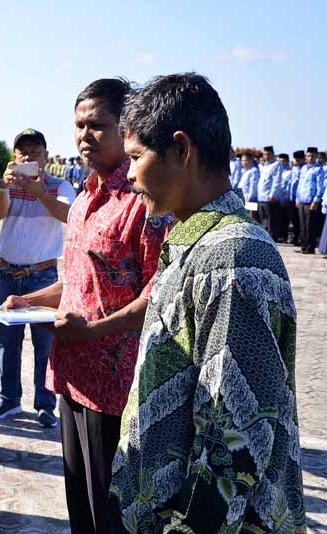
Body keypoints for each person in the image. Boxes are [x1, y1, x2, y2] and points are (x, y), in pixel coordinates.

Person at [110, 71, 306, 533]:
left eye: (136, 157)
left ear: (182, 149)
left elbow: (235, 436)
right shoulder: (194, 243)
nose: (131, 175)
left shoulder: (233, 258)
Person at [4, 79, 170, 533]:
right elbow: (77, 281)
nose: (84, 136)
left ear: (127, 129)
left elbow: (158, 294)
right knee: (80, 503)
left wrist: (94, 331)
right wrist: (28, 300)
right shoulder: (81, 200)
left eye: (97, 125)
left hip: (115, 385)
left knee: (110, 511)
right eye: (79, 125)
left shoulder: (144, 203)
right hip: (71, 374)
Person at [0, 129, 75, 428]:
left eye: (35, 151)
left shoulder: (59, 185)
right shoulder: (7, 186)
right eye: (22, 152)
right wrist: (2, 186)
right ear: (14, 158)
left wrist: (40, 193)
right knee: (6, 343)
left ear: (46, 157)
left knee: (44, 344)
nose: (28, 156)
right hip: (7, 272)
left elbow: (68, 215)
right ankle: (9, 400)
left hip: (42, 276)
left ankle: (45, 404)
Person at [295, 146, 325, 254]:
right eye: (308, 155)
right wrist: (297, 199)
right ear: (306, 157)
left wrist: (316, 200)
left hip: (311, 201)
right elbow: (299, 185)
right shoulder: (303, 168)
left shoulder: (319, 169)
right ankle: (303, 246)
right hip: (301, 200)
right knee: (302, 225)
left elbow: (320, 186)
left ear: (316, 156)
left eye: (313, 155)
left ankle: (310, 247)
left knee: (310, 225)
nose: (310, 158)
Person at [257, 145, 284, 241]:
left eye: (268, 154)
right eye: (264, 154)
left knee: (270, 221)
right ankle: (264, 239)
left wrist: (272, 194)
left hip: (269, 197)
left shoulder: (277, 165)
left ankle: (271, 239)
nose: (266, 156)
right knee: (262, 220)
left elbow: (277, 181)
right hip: (261, 197)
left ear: (273, 154)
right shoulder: (264, 165)